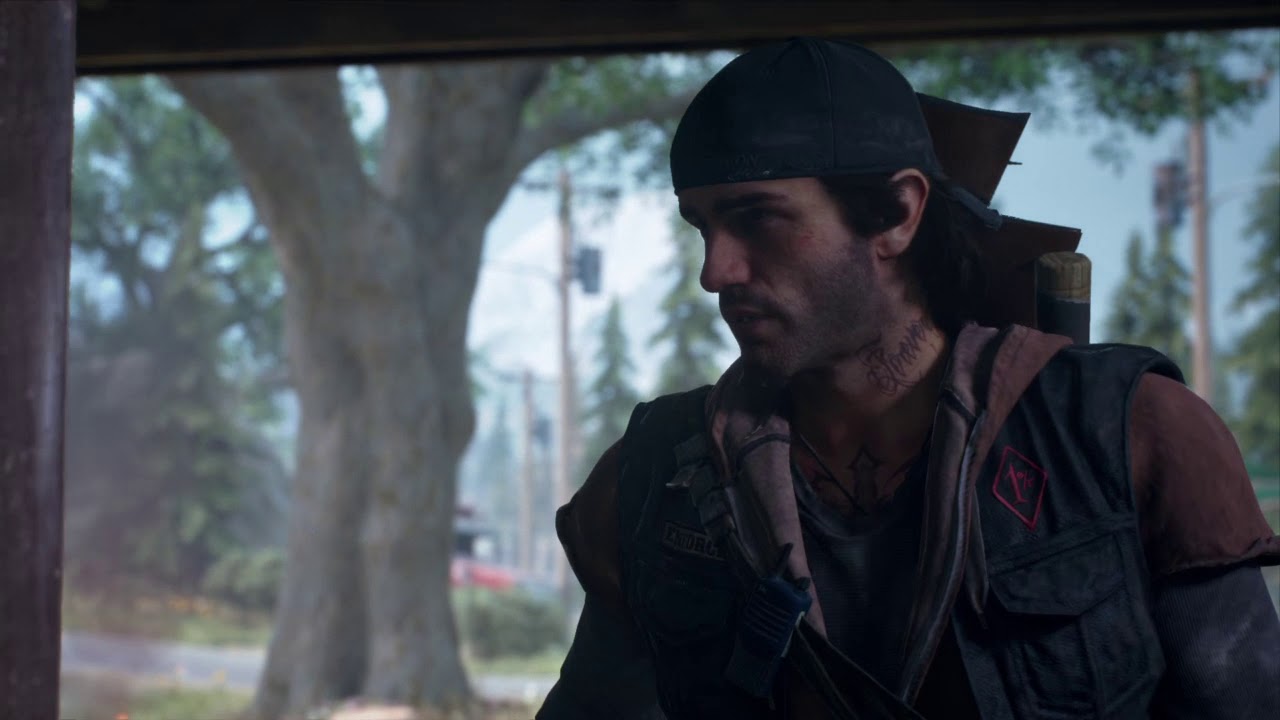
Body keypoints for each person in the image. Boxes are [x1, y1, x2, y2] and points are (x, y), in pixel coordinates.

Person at [536, 37, 1280, 719]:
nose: (716, 271)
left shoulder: (1128, 434)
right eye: (702, 226)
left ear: (897, 212)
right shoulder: (655, 476)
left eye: (757, 218)